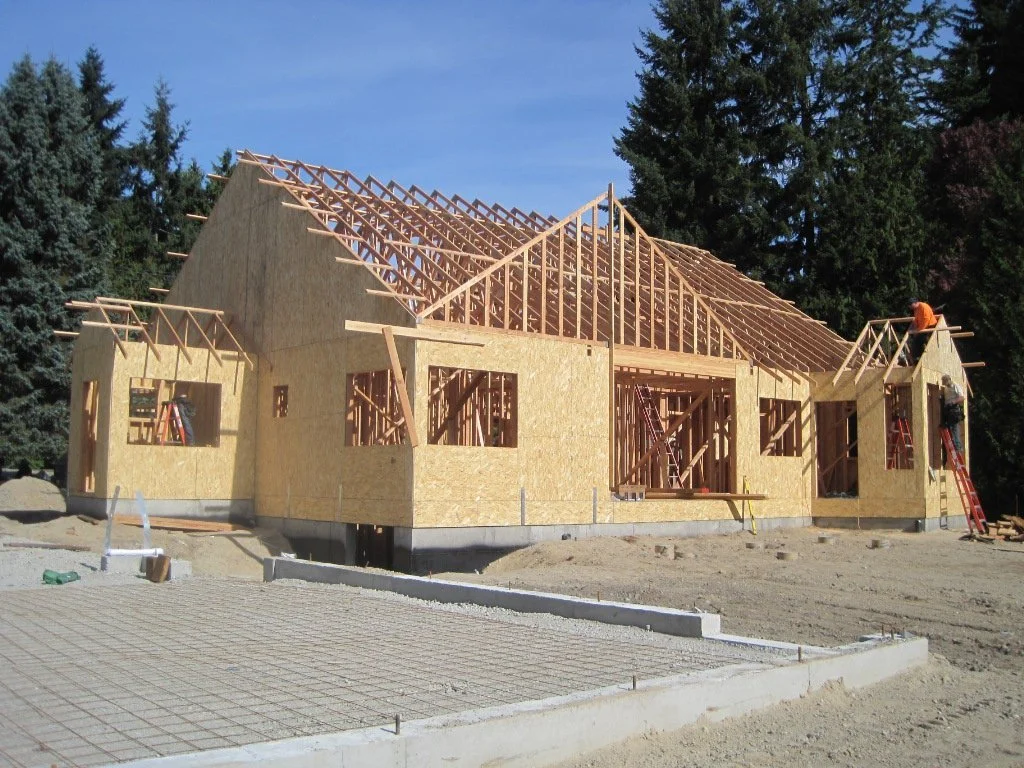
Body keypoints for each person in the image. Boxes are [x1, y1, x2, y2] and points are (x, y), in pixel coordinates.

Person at [940, 373, 966, 458]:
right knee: (948, 428)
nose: (943, 383)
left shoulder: (956, 386)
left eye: (944, 381)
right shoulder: (946, 388)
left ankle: (958, 448)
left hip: (954, 410)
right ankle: (953, 447)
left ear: (948, 380)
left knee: (955, 429)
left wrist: (953, 402)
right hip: (948, 411)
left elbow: (962, 397)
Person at [907, 299, 938, 363]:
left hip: (929, 326)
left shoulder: (923, 307)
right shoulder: (916, 309)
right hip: (922, 328)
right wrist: (915, 329)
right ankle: (917, 359)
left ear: (915, 303)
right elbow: (916, 320)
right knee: (916, 341)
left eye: (910, 305)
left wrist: (918, 330)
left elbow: (926, 320)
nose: (910, 307)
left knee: (921, 341)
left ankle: (920, 358)